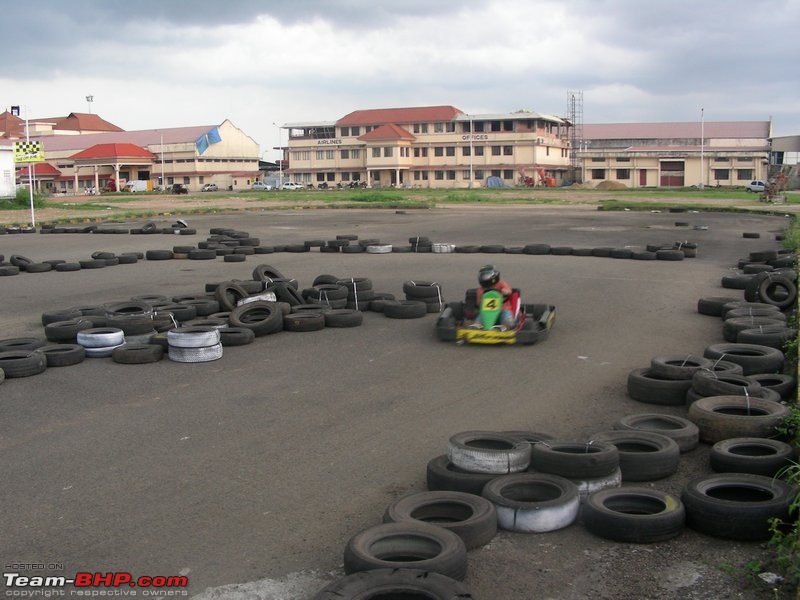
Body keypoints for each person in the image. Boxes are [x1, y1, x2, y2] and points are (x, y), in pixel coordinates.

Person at [474, 265, 516, 330]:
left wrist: (505, 291)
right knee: (481, 316)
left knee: (506, 316)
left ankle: (505, 326)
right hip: (486, 311)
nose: (484, 278)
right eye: (483, 276)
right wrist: (482, 299)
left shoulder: (501, 284)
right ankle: (477, 326)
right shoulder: (480, 290)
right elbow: (478, 303)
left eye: (486, 276)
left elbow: (509, 291)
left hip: (503, 309)